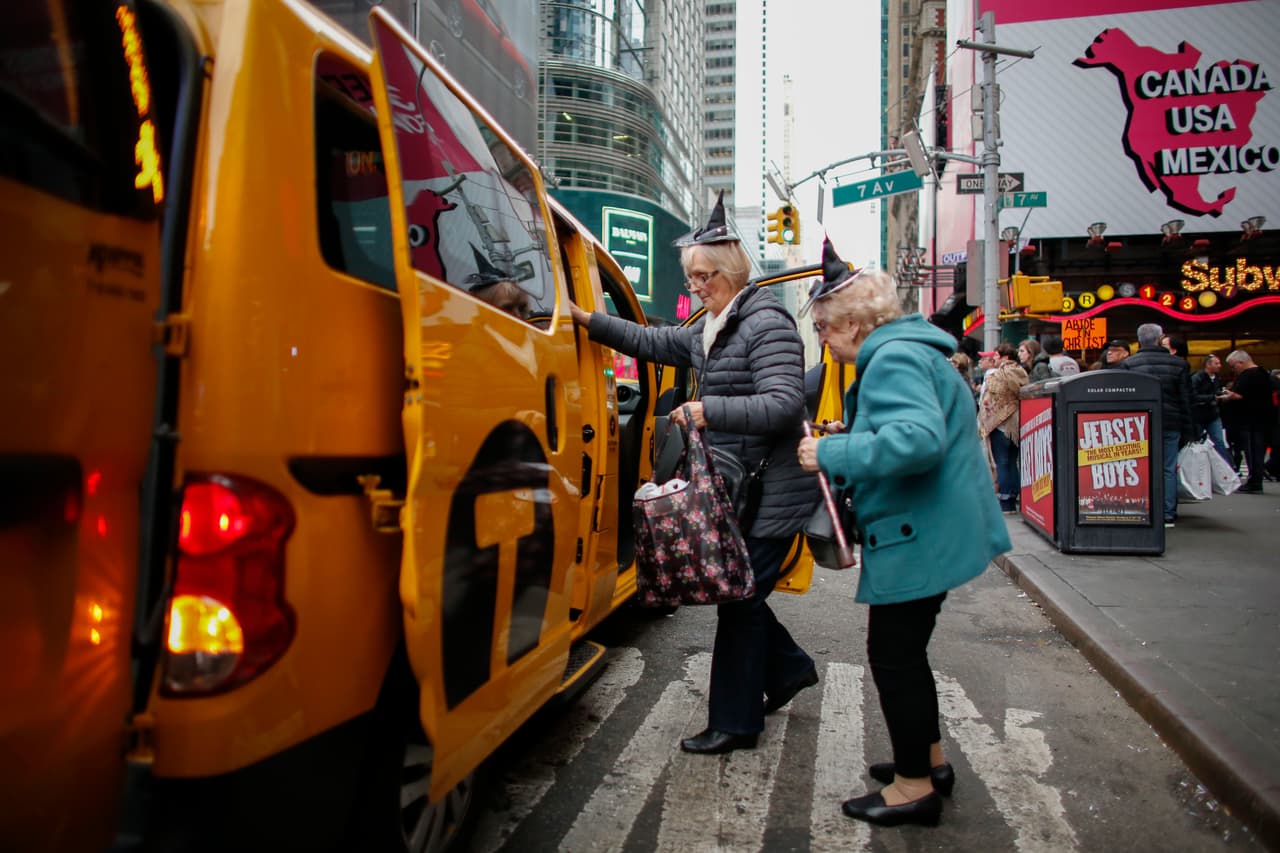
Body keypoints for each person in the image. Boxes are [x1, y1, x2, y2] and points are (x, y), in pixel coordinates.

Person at [568, 191, 819, 755]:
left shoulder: (767, 323)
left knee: (738, 600)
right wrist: (587, 321)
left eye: (704, 276)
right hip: (740, 487)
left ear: (732, 272)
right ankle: (788, 669)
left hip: (772, 490)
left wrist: (709, 411)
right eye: (691, 277)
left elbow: (784, 404)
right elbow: (653, 340)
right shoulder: (716, 325)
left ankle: (735, 722)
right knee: (739, 593)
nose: (696, 287)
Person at [795, 239, 1010, 828]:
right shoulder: (910, 351)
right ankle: (928, 762)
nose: (822, 338)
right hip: (935, 527)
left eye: (824, 327)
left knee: (893, 658)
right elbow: (911, 430)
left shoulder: (890, 359)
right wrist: (853, 435)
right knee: (906, 655)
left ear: (854, 324)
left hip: (922, 535)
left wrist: (830, 451)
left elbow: (917, 441)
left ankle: (913, 788)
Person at [1120, 323, 1194, 526]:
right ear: (1160, 338)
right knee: (1168, 468)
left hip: (1140, 422)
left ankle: (1142, 507)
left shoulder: (1129, 364)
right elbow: (1186, 399)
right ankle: (1167, 512)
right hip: (1171, 421)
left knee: (1140, 466)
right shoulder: (1179, 365)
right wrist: (1190, 430)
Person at [978, 342, 1028, 512]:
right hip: (1016, 422)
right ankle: (1014, 497)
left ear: (1005, 357)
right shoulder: (1021, 372)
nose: (994, 359)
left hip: (1000, 424)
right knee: (1013, 461)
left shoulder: (996, 375)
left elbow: (989, 399)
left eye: (997, 356)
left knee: (1002, 462)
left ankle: (1006, 501)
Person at [1224, 349, 1277, 493]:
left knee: (1253, 452)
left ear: (1241, 362)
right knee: (1257, 452)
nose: (1233, 370)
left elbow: (1239, 395)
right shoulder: (1263, 373)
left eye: (1233, 366)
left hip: (1251, 420)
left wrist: (1228, 395)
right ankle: (1256, 480)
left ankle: (1254, 482)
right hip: (1264, 419)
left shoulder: (1248, 375)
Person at [1190, 353, 1232, 463]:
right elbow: (1193, 396)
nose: (1220, 366)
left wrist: (1221, 394)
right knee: (1197, 442)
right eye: (1216, 363)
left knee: (1219, 441)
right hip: (1199, 415)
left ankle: (1227, 466)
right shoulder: (1197, 378)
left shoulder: (1216, 378)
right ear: (1208, 365)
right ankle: (1196, 465)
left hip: (1212, 414)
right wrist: (1213, 397)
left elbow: (1215, 392)